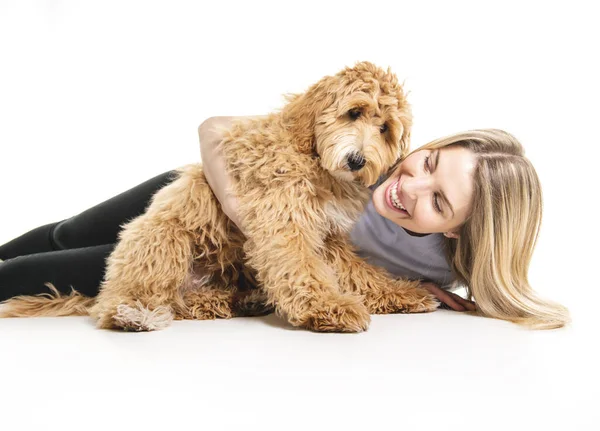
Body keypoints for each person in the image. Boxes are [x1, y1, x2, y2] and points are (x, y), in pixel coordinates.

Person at [0, 117, 570, 329]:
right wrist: (245, 212)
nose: (408, 184)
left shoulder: (436, 268)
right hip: (188, 201)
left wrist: (417, 296)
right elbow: (215, 128)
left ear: (455, 233)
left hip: (199, 259)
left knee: (47, 272)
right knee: (67, 231)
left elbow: (364, 281)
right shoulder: (370, 145)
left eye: (438, 202)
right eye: (429, 162)